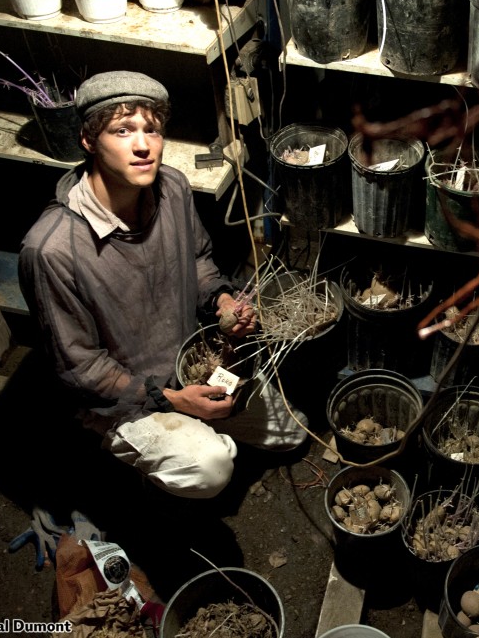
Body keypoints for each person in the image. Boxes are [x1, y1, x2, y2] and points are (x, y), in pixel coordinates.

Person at [19, 70, 306, 499]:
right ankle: (130, 470)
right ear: (88, 140)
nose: (142, 145)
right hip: (123, 398)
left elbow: (198, 261)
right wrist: (173, 400)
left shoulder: (171, 186)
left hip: (188, 360)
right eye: (122, 130)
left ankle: (200, 423)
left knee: (293, 432)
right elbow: (81, 369)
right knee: (211, 467)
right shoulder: (52, 250)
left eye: (151, 129)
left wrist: (223, 301)